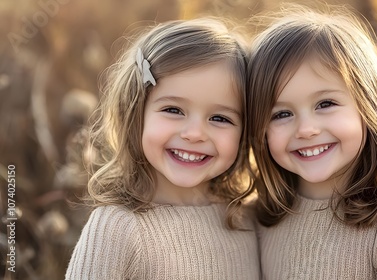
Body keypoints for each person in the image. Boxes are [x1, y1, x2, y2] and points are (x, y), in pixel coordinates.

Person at [247, 5, 377, 279]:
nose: (306, 130)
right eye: (282, 113)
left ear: (369, 106)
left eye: (325, 103)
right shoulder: (259, 220)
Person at [66, 18, 260, 279]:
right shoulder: (117, 228)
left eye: (220, 118)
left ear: (245, 131)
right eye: (173, 110)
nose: (194, 134)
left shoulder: (246, 217)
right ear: (136, 113)